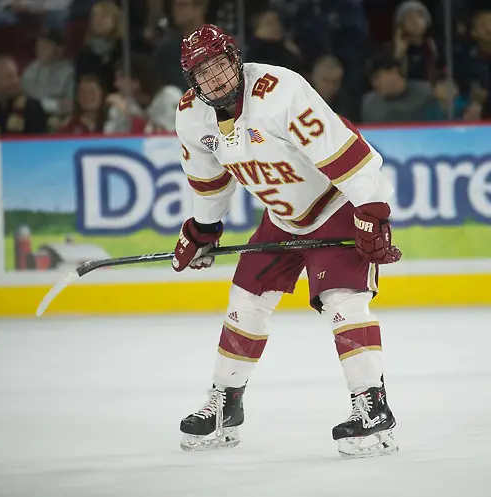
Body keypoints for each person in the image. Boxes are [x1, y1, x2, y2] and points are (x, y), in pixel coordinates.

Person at [173, 24, 402, 458]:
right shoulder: (191, 116)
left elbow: (346, 149)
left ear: (234, 59)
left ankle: (372, 406)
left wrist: (371, 212)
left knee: (344, 300)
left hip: (334, 206)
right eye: (203, 73)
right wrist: (203, 229)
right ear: (192, 81)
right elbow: (210, 182)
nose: (216, 79)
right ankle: (226, 406)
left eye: (220, 66)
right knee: (244, 302)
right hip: (281, 219)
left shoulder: (279, 91)